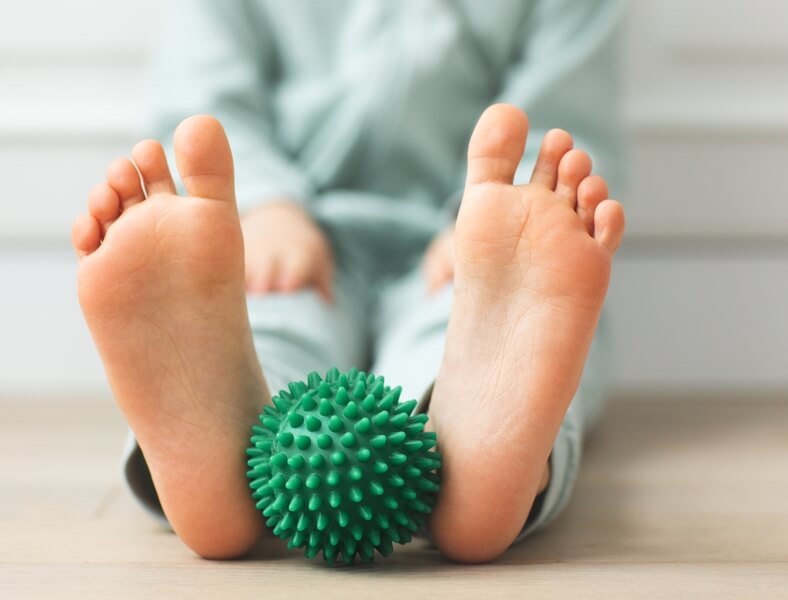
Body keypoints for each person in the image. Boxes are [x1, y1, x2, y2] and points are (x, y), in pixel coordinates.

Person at [70, 0, 626, 563]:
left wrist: (507, 210)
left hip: (471, 250)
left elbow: (565, 116)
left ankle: (477, 462)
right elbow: (199, 95)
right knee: (268, 313)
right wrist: (265, 204)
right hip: (297, 239)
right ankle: (231, 452)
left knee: (492, 333)